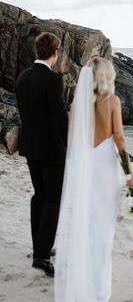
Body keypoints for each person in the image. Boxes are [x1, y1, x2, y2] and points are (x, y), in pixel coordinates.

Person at [54, 57, 133, 302]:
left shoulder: (77, 104)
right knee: (103, 231)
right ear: (106, 76)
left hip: (85, 170)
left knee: (86, 227)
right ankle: (99, 291)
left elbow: (71, 143)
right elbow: (119, 139)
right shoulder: (113, 101)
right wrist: (130, 172)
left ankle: (83, 282)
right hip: (105, 171)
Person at [15, 32, 68, 277]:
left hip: (30, 147)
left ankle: (39, 248)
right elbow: (59, 117)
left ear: (38, 51)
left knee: (39, 195)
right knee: (53, 199)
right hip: (51, 149)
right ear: (55, 53)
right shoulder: (53, 79)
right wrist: (68, 145)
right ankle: (42, 256)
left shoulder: (23, 77)